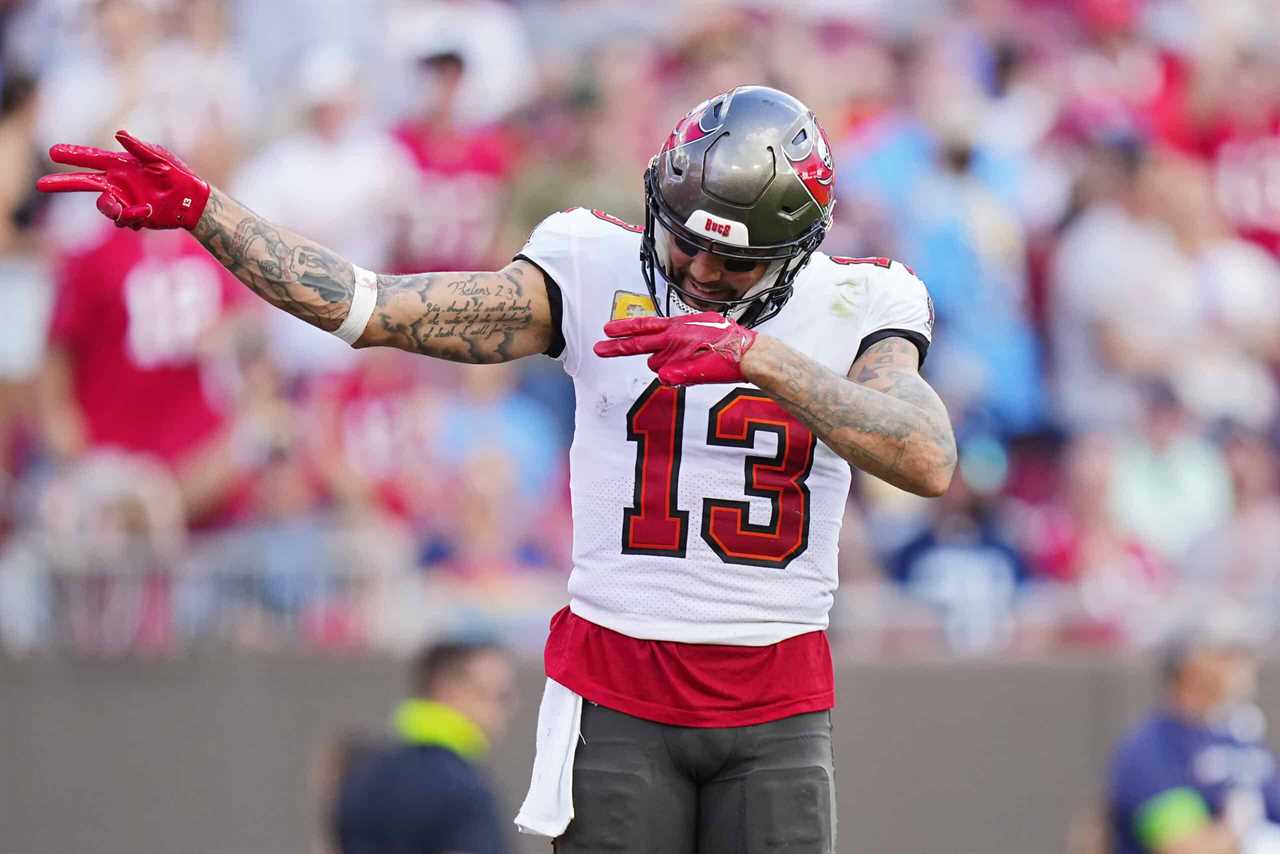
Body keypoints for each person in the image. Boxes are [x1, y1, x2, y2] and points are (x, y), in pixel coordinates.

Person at [37, 84, 957, 852]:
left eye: (733, 260)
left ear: (796, 251)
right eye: (685, 240)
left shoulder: (860, 300)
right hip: (617, 687)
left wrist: (758, 358)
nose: (699, 268)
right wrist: (210, 212)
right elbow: (374, 308)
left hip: (776, 697)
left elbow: (925, 457)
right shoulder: (592, 263)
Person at [1107, 610, 1280, 854]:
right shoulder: (1153, 748)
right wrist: (1244, 835)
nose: (1242, 663)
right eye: (1227, 653)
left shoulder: (1243, 741)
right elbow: (1183, 846)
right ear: (1189, 665)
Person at [335, 639, 515, 854]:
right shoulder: (466, 790)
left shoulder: (362, 775)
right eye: (500, 695)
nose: (512, 706)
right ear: (450, 689)